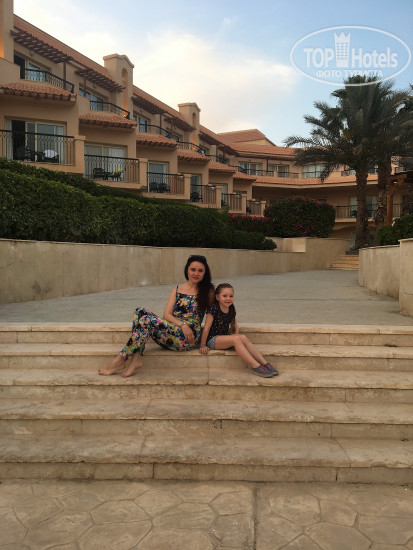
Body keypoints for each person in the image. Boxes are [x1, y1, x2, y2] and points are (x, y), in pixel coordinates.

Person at [99, 255, 214, 378]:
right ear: (187, 270)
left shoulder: (208, 291)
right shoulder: (177, 289)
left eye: (200, 271)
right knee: (139, 311)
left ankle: (121, 358)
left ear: (205, 272)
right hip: (173, 330)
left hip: (186, 339)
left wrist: (203, 343)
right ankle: (136, 357)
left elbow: (211, 317)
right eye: (193, 269)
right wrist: (182, 325)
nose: (196, 273)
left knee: (146, 320)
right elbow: (167, 315)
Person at [199, 283, 278, 377]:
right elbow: (206, 328)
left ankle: (265, 363)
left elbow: (235, 326)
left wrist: (237, 340)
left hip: (224, 338)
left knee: (243, 337)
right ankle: (256, 366)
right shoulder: (213, 309)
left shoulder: (231, 308)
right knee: (236, 339)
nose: (228, 299)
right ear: (217, 297)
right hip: (212, 340)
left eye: (231, 296)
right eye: (225, 296)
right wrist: (203, 345)